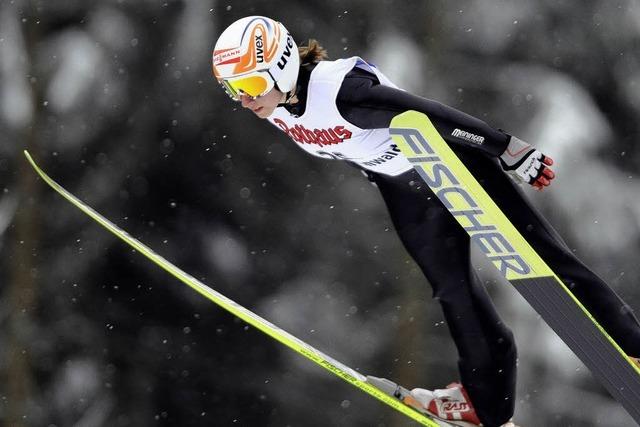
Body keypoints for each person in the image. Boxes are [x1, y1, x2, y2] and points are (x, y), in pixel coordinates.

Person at [212, 16, 640, 427]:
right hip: (404, 187)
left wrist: (508, 149)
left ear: (282, 65)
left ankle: (632, 345)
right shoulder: (278, 106)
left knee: (541, 258)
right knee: (453, 290)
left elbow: (428, 114)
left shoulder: (341, 91)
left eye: (249, 85)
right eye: (233, 91)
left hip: (449, 162)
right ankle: (485, 404)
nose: (245, 100)